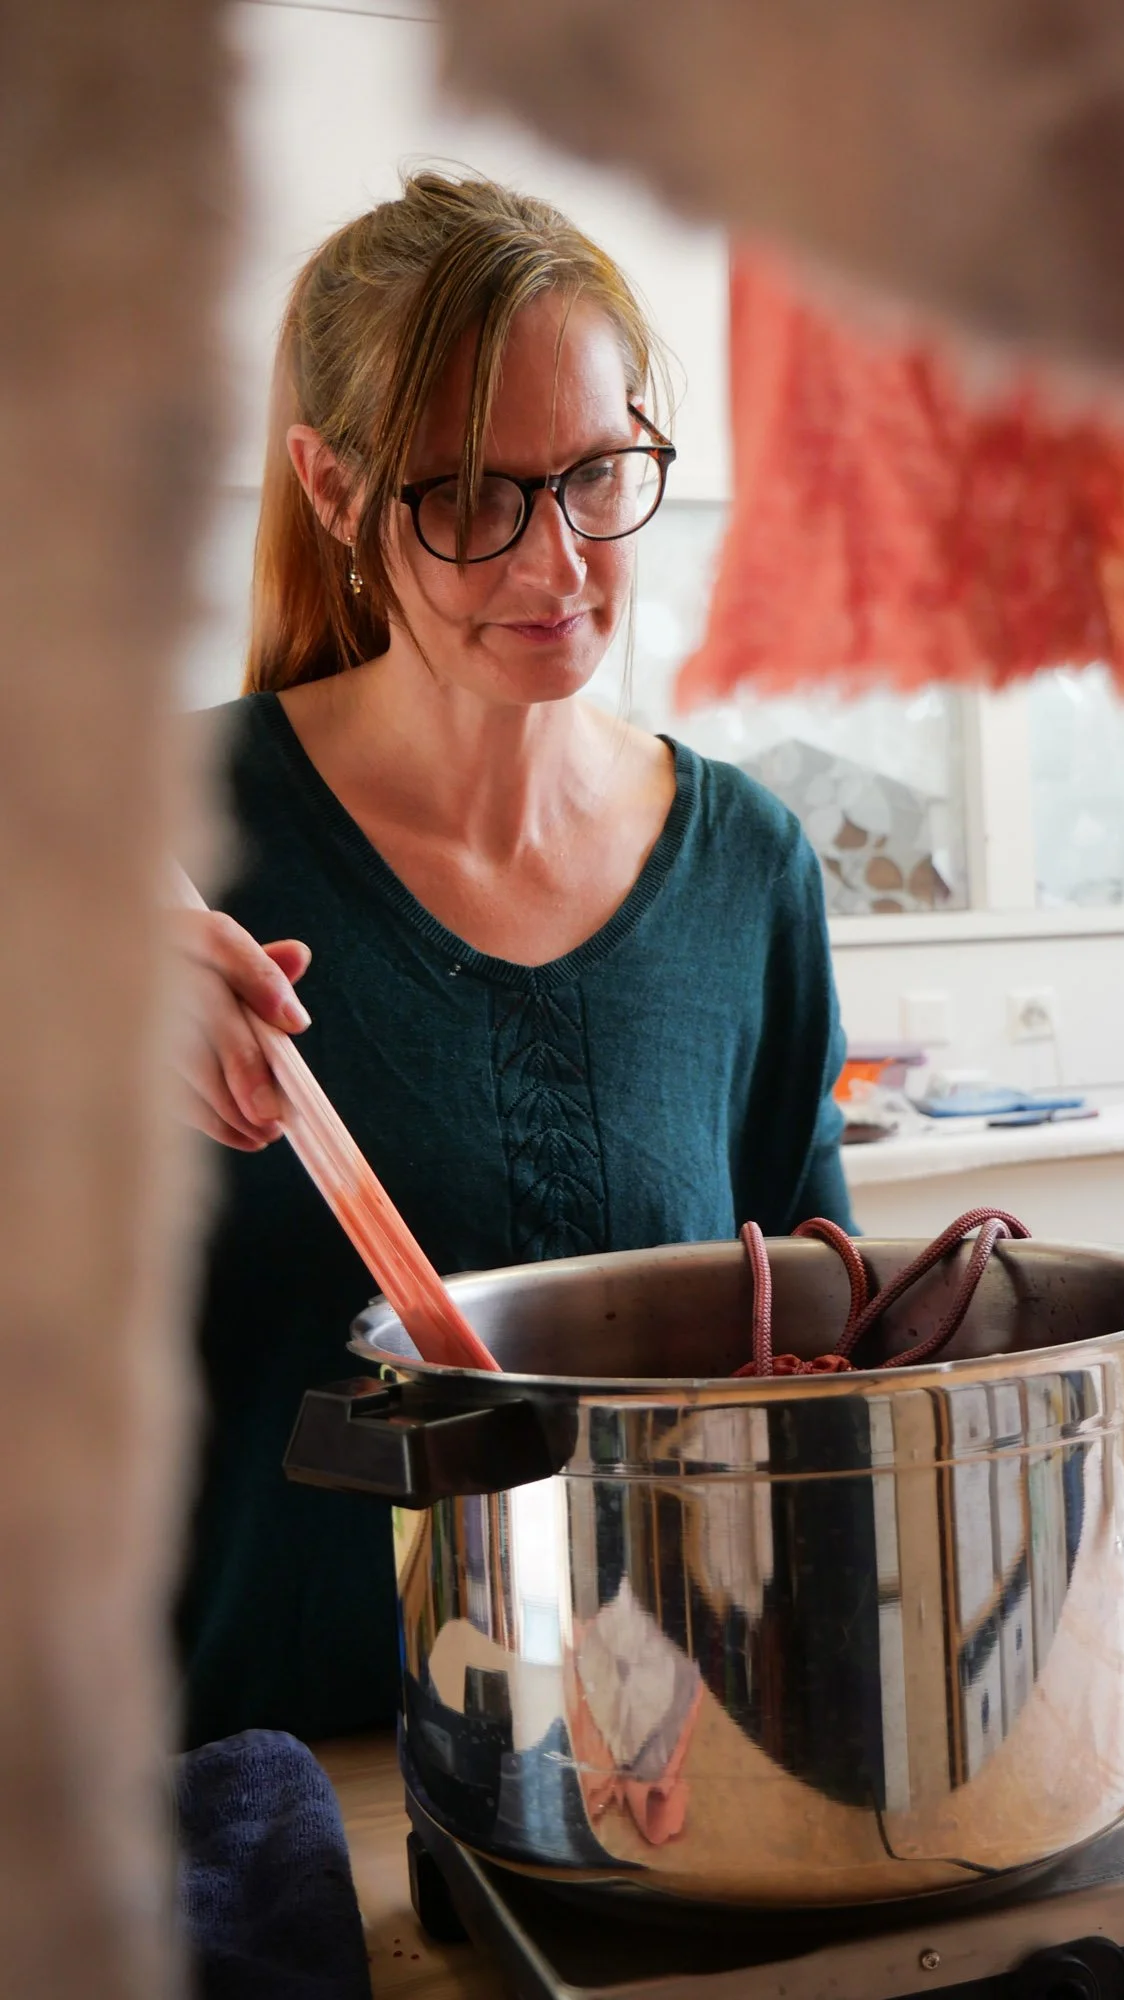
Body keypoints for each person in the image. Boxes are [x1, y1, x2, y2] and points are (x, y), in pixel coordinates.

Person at [172, 172, 852, 1749]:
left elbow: (815, 1364)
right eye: (471, 497)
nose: (559, 569)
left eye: (601, 473)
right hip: (277, 1819)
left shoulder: (747, 868)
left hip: (664, 1788)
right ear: (332, 491)